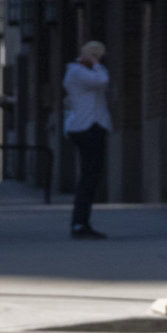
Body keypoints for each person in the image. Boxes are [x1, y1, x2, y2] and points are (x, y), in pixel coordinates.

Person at [63, 40, 111, 239]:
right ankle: (79, 224)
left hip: (93, 126)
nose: (99, 60)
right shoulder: (76, 71)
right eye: (97, 56)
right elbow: (101, 80)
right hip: (86, 127)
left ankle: (82, 222)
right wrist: (96, 64)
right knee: (88, 176)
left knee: (91, 176)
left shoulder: (82, 71)